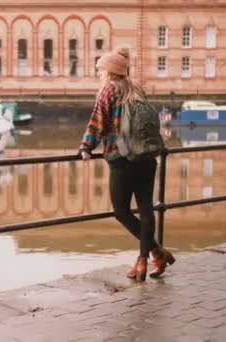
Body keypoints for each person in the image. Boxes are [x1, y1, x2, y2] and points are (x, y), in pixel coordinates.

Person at [78, 45, 175, 282]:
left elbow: (97, 123)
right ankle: (148, 257)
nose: (99, 74)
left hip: (122, 159)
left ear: (110, 71)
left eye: (101, 70)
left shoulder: (108, 90)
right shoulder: (137, 88)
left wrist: (86, 147)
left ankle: (155, 253)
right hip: (147, 157)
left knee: (121, 211)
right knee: (145, 209)